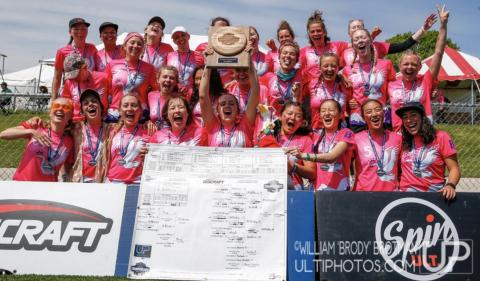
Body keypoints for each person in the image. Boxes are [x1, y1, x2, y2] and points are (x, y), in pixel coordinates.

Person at [388, 4, 449, 132]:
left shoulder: (426, 81)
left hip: (424, 133)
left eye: (414, 64)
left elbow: (438, 52)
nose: (410, 67)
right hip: (399, 135)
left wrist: (443, 25)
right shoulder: (390, 84)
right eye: (406, 64)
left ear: (420, 67)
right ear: (399, 66)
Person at [285, 99, 354, 191]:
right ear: (320, 116)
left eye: (331, 110)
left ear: (341, 114)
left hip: (340, 191)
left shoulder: (346, 133)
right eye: (323, 111)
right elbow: (296, 123)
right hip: (316, 191)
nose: (327, 113)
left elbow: (331, 157)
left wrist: (302, 155)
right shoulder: (314, 136)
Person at [0, 98, 74, 181]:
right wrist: (31, 132)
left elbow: (68, 166)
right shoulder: (37, 126)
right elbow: (3, 134)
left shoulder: (70, 142)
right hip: (22, 183)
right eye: (56, 106)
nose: (60, 109)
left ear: (70, 116)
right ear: (50, 113)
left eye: (66, 107)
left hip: (48, 187)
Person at [396, 101, 458, 199]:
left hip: (434, 196)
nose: (409, 120)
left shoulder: (441, 137)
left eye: (413, 115)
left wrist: (450, 185)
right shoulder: (402, 140)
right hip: (406, 196)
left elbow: (454, 168)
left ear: (423, 117)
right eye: (405, 117)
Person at [343, 28, 396, 132]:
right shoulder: (347, 69)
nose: (360, 40)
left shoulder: (386, 64)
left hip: (381, 115)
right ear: (353, 45)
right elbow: (346, 95)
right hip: (358, 118)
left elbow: (393, 89)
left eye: (363, 37)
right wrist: (349, 102)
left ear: (370, 40)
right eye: (356, 39)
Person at [199, 59, 259, 147]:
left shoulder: (245, 125)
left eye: (231, 103)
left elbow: (255, 89)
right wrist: (208, 64)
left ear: (238, 110)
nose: (227, 105)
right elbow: (203, 97)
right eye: (222, 104)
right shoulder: (212, 126)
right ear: (217, 111)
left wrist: (248, 59)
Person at [259, 101, 316, 190]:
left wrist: (293, 166)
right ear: (280, 116)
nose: (293, 117)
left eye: (298, 116)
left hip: (294, 192)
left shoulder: (306, 140)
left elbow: (312, 173)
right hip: (268, 190)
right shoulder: (269, 136)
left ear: (302, 122)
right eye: (289, 113)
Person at [342, 14, 437, 66]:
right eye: (353, 27)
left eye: (359, 26)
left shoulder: (377, 46)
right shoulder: (343, 51)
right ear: (349, 33)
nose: (357, 28)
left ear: (365, 30)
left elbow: (404, 45)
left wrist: (423, 29)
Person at [105, 32, 157, 122]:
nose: (136, 46)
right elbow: (106, 91)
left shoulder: (149, 68)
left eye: (139, 44)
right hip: (115, 113)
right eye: (132, 42)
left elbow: (156, 91)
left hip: (139, 115)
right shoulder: (112, 64)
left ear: (143, 49)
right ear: (125, 46)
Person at [352, 99, 402, 191]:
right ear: (363, 117)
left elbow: (404, 169)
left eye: (378, 109)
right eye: (369, 112)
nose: (374, 114)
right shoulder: (355, 139)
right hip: (363, 195)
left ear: (383, 113)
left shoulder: (397, 138)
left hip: (391, 196)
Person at [69, 89, 111, 182]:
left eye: (94, 101)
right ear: (82, 111)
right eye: (86, 103)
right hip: (79, 180)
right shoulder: (76, 128)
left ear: (101, 107)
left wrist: (148, 123)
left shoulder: (111, 129)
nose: (90, 104)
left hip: (102, 182)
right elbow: (54, 126)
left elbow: (131, 127)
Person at [105, 94, 149, 184]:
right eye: (125, 105)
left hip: (137, 183)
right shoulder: (111, 131)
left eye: (134, 105)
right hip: (113, 182)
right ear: (120, 111)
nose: (130, 108)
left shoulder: (148, 131)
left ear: (140, 110)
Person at [52, 18, 98, 100]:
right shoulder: (62, 52)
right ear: (70, 32)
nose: (80, 32)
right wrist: (53, 98)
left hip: (90, 92)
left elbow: (97, 71)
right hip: (70, 94)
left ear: (87, 31)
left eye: (83, 29)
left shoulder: (92, 48)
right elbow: (57, 77)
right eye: (76, 29)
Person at [305, 53, 351, 131]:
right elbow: (298, 99)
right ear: (319, 68)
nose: (329, 69)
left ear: (337, 68)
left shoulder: (345, 85)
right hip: (317, 131)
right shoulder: (311, 84)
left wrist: (341, 76)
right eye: (325, 66)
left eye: (333, 66)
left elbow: (352, 105)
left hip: (340, 131)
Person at [299, 11, 348, 81]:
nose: (316, 34)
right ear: (309, 35)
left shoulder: (337, 46)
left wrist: (342, 75)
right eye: (312, 32)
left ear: (325, 32)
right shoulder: (304, 52)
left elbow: (356, 45)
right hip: (313, 90)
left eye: (318, 31)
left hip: (334, 89)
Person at [60, 53, 108, 122]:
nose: (73, 78)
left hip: (101, 121)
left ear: (85, 67)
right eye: (70, 76)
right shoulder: (69, 82)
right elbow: (66, 105)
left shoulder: (103, 78)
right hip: (77, 123)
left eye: (75, 74)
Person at [267, 41, 304, 118]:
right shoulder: (268, 77)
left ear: (296, 60)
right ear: (279, 58)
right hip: (270, 124)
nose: (288, 56)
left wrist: (296, 97)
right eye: (285, 53)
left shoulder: (301, 79)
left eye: (292, 54)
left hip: (290, 122)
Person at [166, 26, 204, 93]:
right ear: (174, 41)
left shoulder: (199, 56)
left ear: (188, 36)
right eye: (176, 37)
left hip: (193, 95)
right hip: (173, 93)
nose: (180, 38)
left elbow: (203, 76)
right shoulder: (169, 56)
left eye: (183, 35)